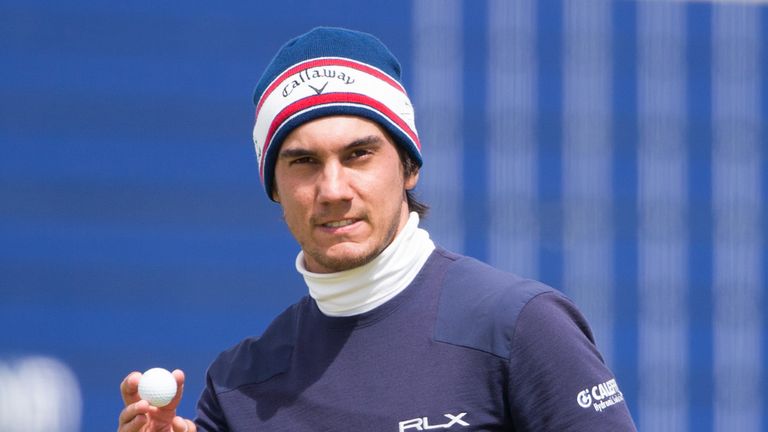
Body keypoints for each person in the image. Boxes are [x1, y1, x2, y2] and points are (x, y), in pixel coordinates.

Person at [118, 27, 637, 432]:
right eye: (303, 162)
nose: (333, 189)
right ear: (274, 189)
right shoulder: (239, 384)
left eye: (358, 154)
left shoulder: (520, 326)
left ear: (409, 167)